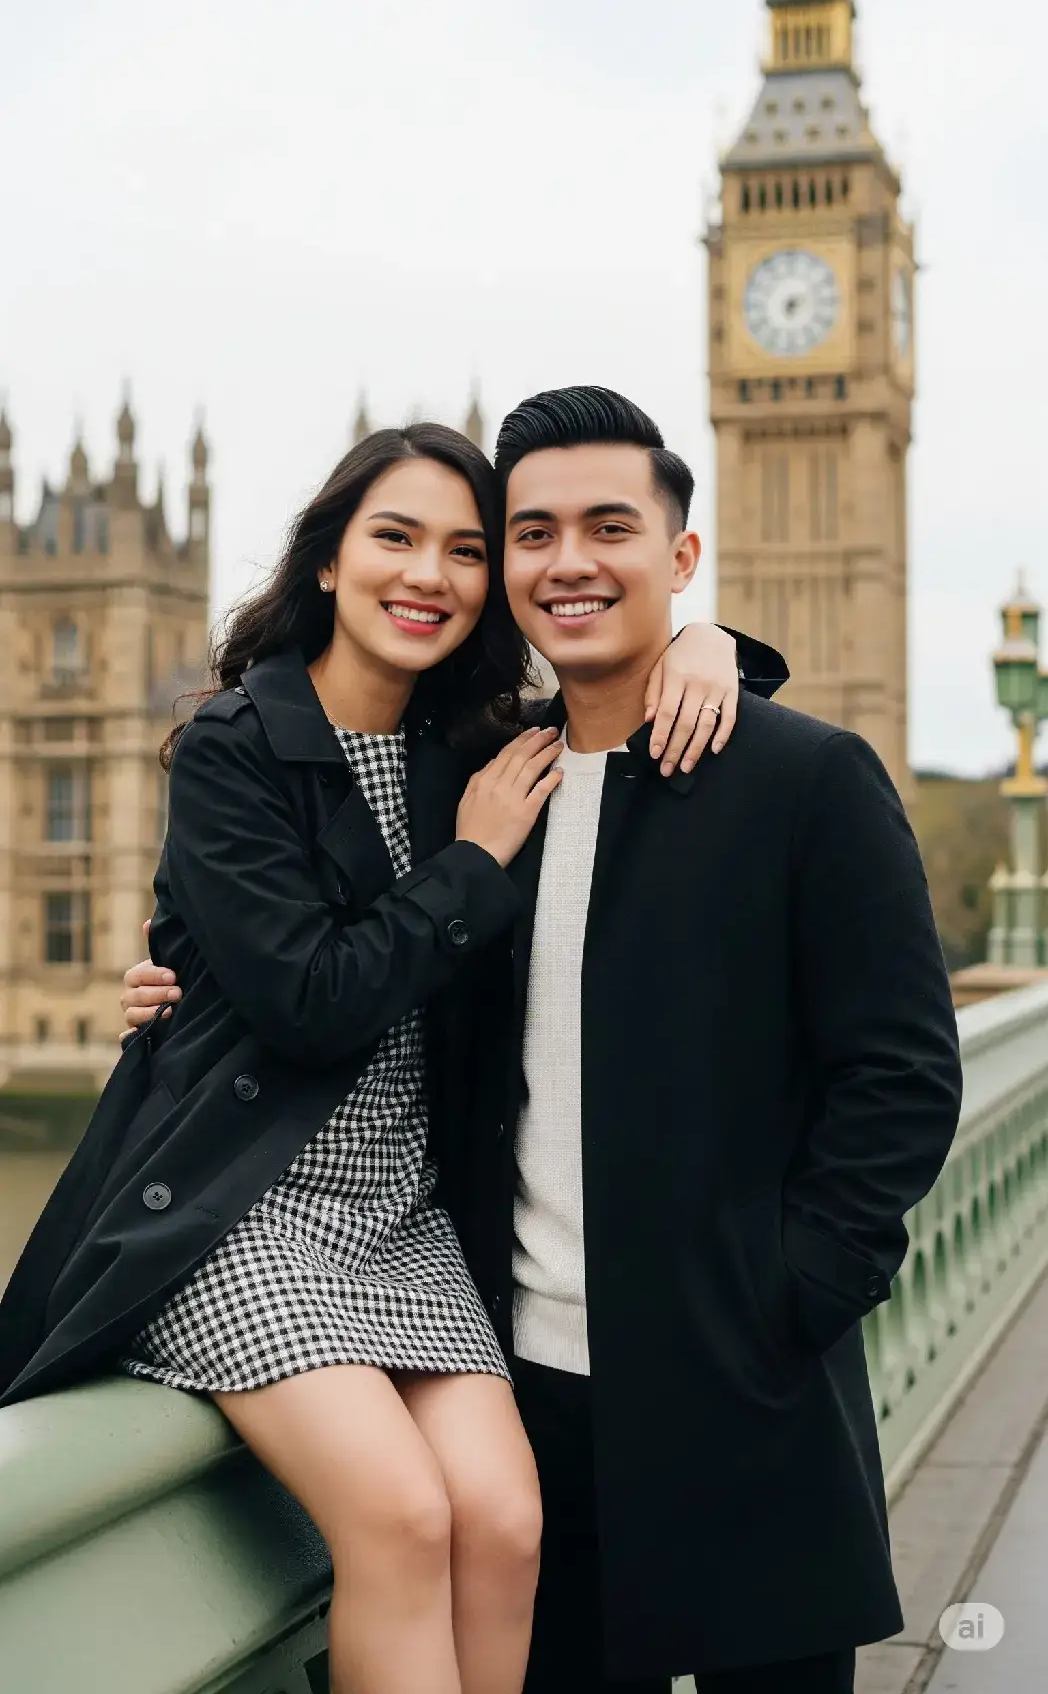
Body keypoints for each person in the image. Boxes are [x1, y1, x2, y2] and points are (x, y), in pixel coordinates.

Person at [117, 388, 962, 1693]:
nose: (567, 561)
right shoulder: (485, 781)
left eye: (609, 527)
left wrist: (796, 1291)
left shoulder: (807, 780)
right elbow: (337, 926)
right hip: (519, 1383)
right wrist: (183, 984)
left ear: (682, 558)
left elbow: (901, 1079)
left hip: (740, 1378)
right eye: (532, 535)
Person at [0, 418, 781, 1694]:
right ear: (327, 559)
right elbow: (308, 1003)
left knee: (506, 1525)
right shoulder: (234, 748)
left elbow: (607, 697)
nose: (429, 573)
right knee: (406, 1523)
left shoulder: (468, 744)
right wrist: (471, 868)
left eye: (463, 550)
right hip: (241, 1214)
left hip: (406, 1218)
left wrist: (709, 641)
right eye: (395, 538)